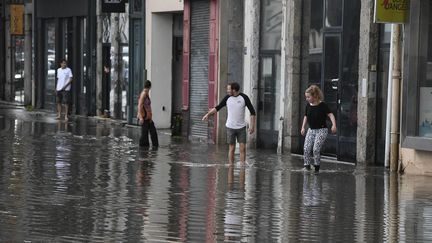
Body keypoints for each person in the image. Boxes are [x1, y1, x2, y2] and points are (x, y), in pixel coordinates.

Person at [202, 82, 256, 165]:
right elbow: (218, 107)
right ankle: (231, 166)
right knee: (232, 148)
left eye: (228, 89)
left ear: (234, 90)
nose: (227, 91)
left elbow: (253, 112)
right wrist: (207, 115)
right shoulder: (227, 98)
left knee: (243, 148)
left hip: (241, 127)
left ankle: (242, 166)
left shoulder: (244, 98)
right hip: (230, 127)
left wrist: (252, 126)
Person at [301, 84, 337, 172]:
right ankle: (307, 167)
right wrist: (303, 127)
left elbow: (331, 114)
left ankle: (316, 168)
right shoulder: (308, 105)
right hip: (311, 129)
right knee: (306, 148)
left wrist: (334, 125)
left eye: (308, 97)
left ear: (315, 96)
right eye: (306, 97)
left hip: (321, 130)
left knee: (316, 149)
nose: (307, 99)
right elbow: (306, 116)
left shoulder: (322, 105)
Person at [138, 80, 159, 148]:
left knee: (152, 132)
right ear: (149, 87)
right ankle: (143, 151)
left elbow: (148, 106)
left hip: (148, 118)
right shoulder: (144, 94)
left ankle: (153, 147)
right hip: (144, 118)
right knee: (144, 136)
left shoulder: (146, 94)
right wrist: (141, 118)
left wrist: (150, 117)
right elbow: (140, 106)